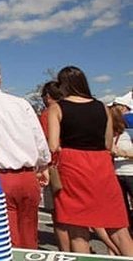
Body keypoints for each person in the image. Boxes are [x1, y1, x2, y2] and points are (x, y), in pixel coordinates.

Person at [48, 66, 133, 256]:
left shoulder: (57, 107)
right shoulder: (101, 106)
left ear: (63, 86)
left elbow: (53, 145)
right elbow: (108, 143)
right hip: (101, 165)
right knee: (118, 228)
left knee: (78, 231)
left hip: (72, 165)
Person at [0, 58, 50, 249]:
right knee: (30, 232)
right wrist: (43, 163)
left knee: (5, 237)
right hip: (27, 174)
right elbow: (37, 136)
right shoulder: (20, 103)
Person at [38, 80, 69, 251]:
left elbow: (45, 143)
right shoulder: (72, 110)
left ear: (48, 96)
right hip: (78, 163)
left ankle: (66, 250)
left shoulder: (48, 114)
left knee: (58, 211)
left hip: (55, 165)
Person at [111, 95, 133, 228]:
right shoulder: (112, 131)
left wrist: (122, 153)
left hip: (130, 172)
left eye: (116, 107)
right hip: (117, 173)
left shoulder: (129, 127)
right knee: (121, 207)